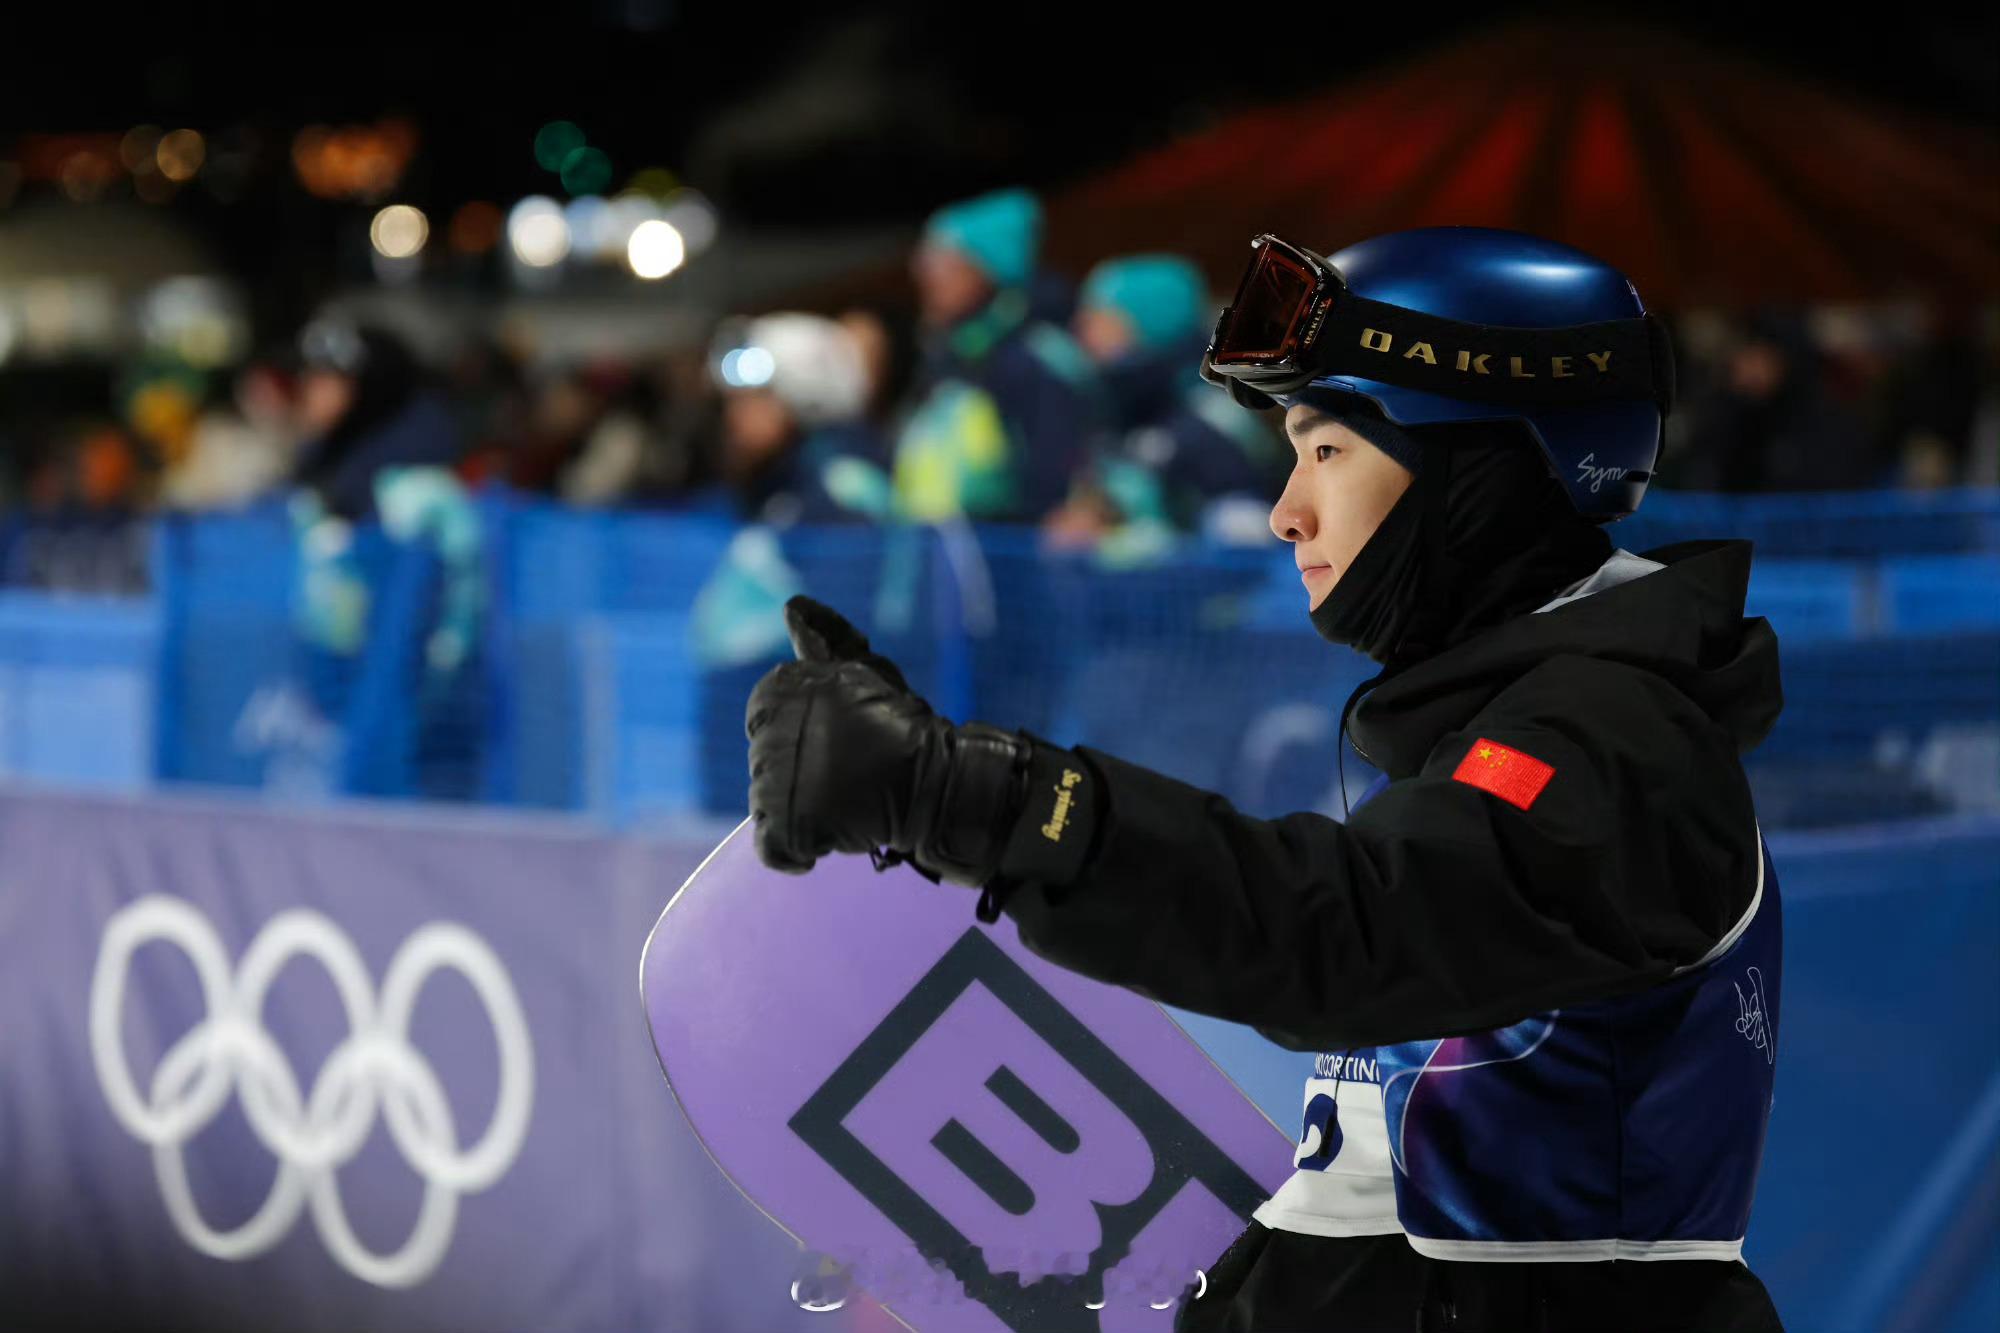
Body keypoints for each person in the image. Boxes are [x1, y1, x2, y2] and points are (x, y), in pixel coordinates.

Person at [743, 227, 1787, 1332]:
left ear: (1482, 465)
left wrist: (984, 800)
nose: (1288, 508)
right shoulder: (1506, 732)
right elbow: (1375, 1224)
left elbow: (1339, 933)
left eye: (1326, 450)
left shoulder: (1611, 744)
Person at [1047, 253, 1283, 552]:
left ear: (1147, 324)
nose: (1082, 328)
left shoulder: (1214, 421)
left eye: (1101, 317)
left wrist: (1144, 547)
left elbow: (1248, 542)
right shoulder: (1121, 407)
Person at [892, 187, 1101, 523]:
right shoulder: (949, 360)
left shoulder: (1035, 360)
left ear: (986, 269)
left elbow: (1058, 484)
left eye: (941, 260)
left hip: (1013, 562)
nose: (923, 273)